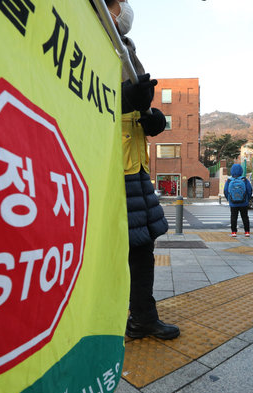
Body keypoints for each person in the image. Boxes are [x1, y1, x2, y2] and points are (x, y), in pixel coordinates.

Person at [91, 0, 180, 340]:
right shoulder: (87, 37)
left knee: (142, 250)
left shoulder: (125, 49)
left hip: (134, 169)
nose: (123, 9)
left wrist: (153, 120)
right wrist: (126, 101)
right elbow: (81, 98)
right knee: (110, 252)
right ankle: (108, 317)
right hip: (107, 170)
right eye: (116, 3)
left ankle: (142, 316)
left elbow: (129, 106)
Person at [224, 164, 253, 237]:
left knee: (233, 217)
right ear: (241, 171)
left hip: (233, 203)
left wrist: (229, 199)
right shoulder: (244, 180)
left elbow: (225, 190)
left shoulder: (229, 180)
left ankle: (234, 232)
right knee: (245, 217)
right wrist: (247, 199)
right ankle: (247, 232)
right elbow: (249, 190)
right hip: (243, 202)